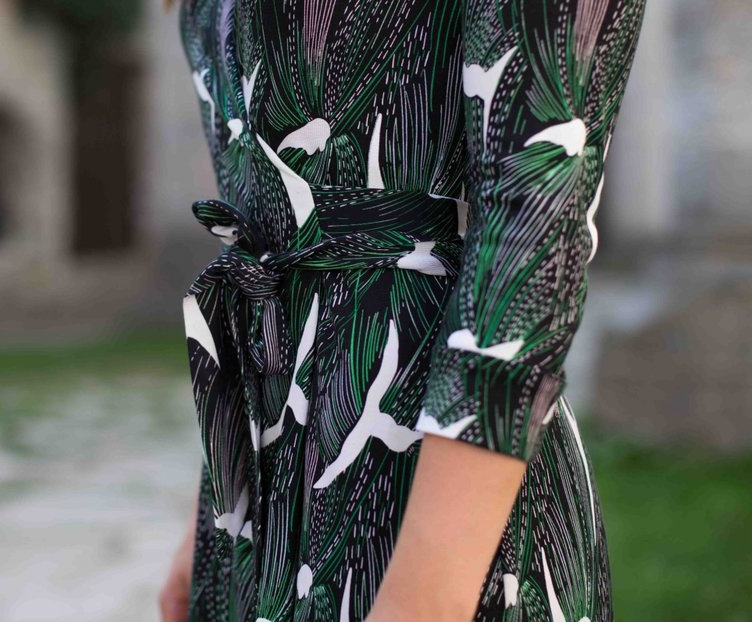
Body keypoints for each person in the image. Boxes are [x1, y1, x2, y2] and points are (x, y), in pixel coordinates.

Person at [161, 0, 647, 620]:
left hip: (418, 481)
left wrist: (427, 594)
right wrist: (219, 494)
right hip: (259, 491)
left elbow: (533, 222)